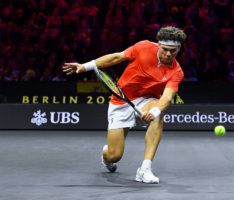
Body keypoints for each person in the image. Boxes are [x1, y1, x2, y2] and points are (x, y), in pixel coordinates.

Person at [62, 26, 187, 184]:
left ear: (179, 49)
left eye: (173, 50)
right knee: (114, 155)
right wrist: (85, 66)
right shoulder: (143, 47)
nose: (168, 54)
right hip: (121, 100)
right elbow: (116, 58)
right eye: (165, 49)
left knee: (158, 115)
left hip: (148, 100)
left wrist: (154, 111)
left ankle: (144, 169)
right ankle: (106, 155)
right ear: (158, 44)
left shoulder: (177, 72)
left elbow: (167, 97)